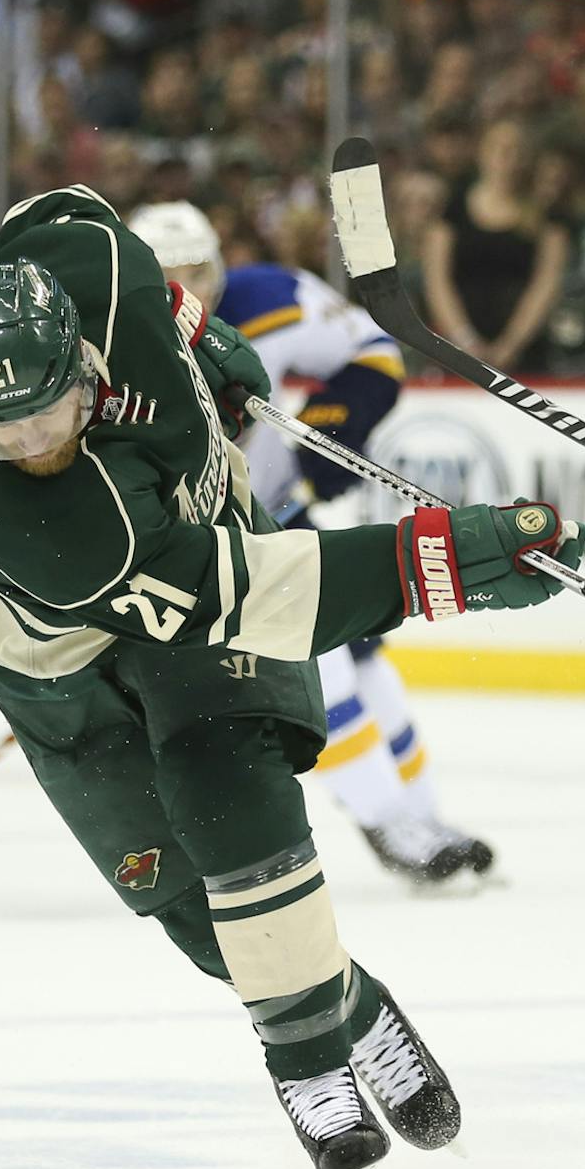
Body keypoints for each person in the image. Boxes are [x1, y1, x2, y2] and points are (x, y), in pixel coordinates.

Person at [0, 183, 585, 1169]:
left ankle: (302, 1057)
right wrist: (449, 562)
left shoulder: (95, 268)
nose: (34, 447)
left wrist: (196, 327)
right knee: (185, 898)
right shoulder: (38, 518)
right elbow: (248, 598)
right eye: (1, 433)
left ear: (78, 358)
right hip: (52, 654)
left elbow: (58, 205)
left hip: (195, 548)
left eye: (49, 413)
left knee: (230, 786)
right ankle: (349, 1004)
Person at [128, 199, 491, 885]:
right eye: (167, 274)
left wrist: (335, 423)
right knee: (321, 668)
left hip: (279, 519)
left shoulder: (271, 297)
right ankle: (389, 821)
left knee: (363, 658)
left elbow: (370, 348)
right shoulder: (110, 340)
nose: (189, 290)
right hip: (200, 553)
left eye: (199, 270)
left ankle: (424, 816)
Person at [422, 119, 569, 372]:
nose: (507, 159)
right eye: (500, 149)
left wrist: (511, 345)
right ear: (482, 153)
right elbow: (437, 281)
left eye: (516, 151)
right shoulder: (452, 212)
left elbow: (546, 284)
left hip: (524, 354)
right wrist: (466, 342)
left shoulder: (547, 219)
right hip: (459, 353)